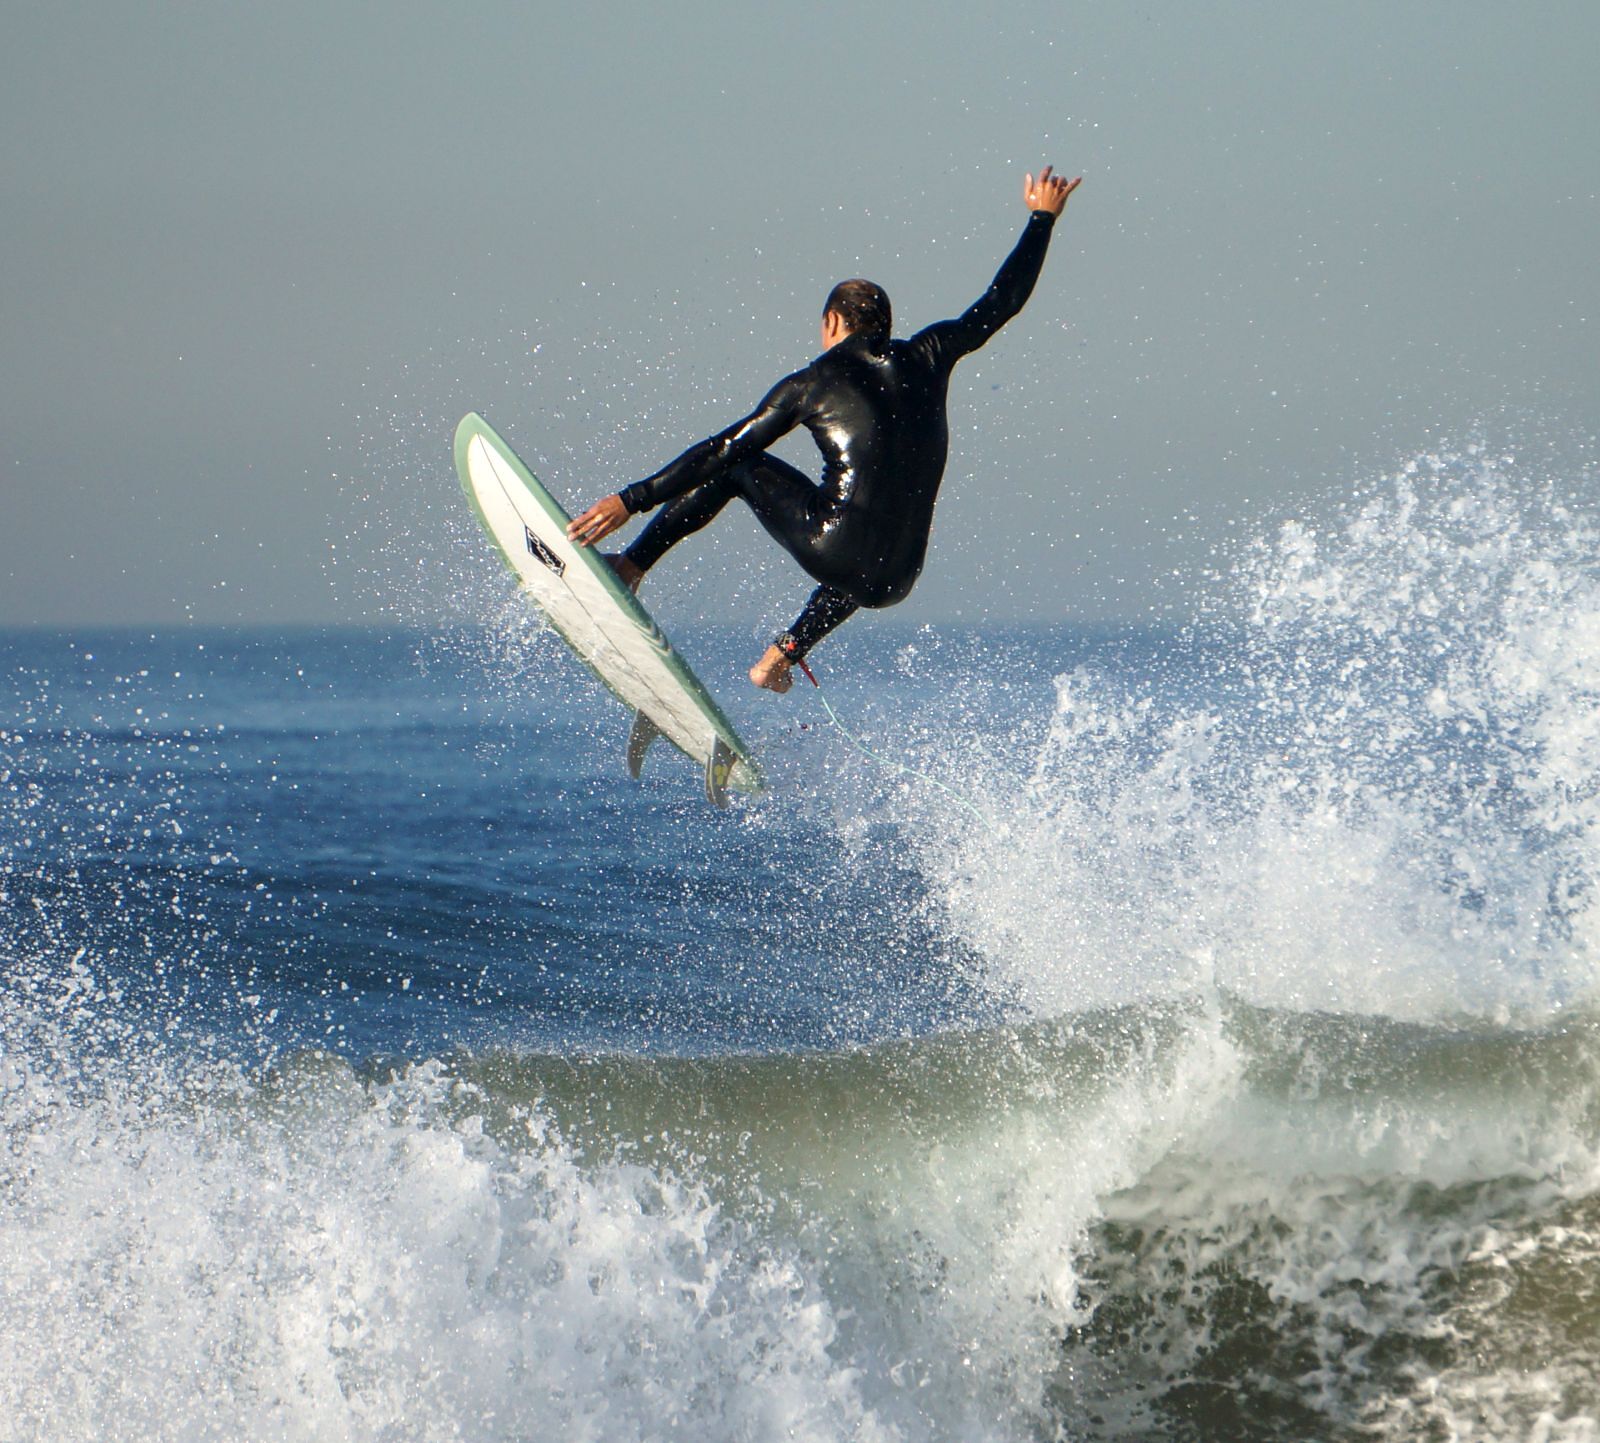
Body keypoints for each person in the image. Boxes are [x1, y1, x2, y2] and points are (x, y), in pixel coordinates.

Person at [567, 164, 1081, 693]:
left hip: (835, 547)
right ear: (884, 325)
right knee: (874, 527)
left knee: (742, 466)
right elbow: (1001, 302)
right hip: (898, 576)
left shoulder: (812, 383)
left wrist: (631, 500)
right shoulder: (931, 354)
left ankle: (630, 568)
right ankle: (781, 656)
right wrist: (1042, 218)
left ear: (833, 323)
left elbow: (722, 449)